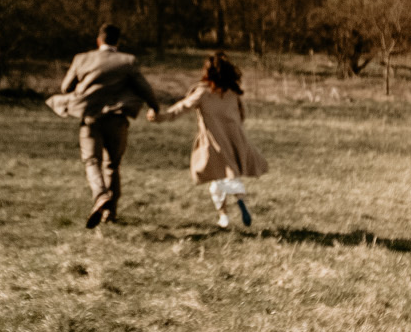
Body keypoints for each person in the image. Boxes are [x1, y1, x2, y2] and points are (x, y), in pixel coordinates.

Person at [57, 24, 162, 228]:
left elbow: (65, 87)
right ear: (117, 42)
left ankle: (100, 194)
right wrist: (154, 107)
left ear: (99, 40)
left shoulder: (82, 59)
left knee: (91, 161)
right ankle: (110, 213)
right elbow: (144, 88)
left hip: (90, 119)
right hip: (117, 119)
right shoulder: (127, 61)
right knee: (112, 165)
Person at [153, 51, 268, 229]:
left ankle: (224, 217)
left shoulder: (203, 92)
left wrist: (160, 116)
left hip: (213, 140)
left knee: (217, 177)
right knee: (230, 174)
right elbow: (242, 114)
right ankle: (239, 200)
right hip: (235, 138)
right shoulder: (232, 92)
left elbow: (183, 107)